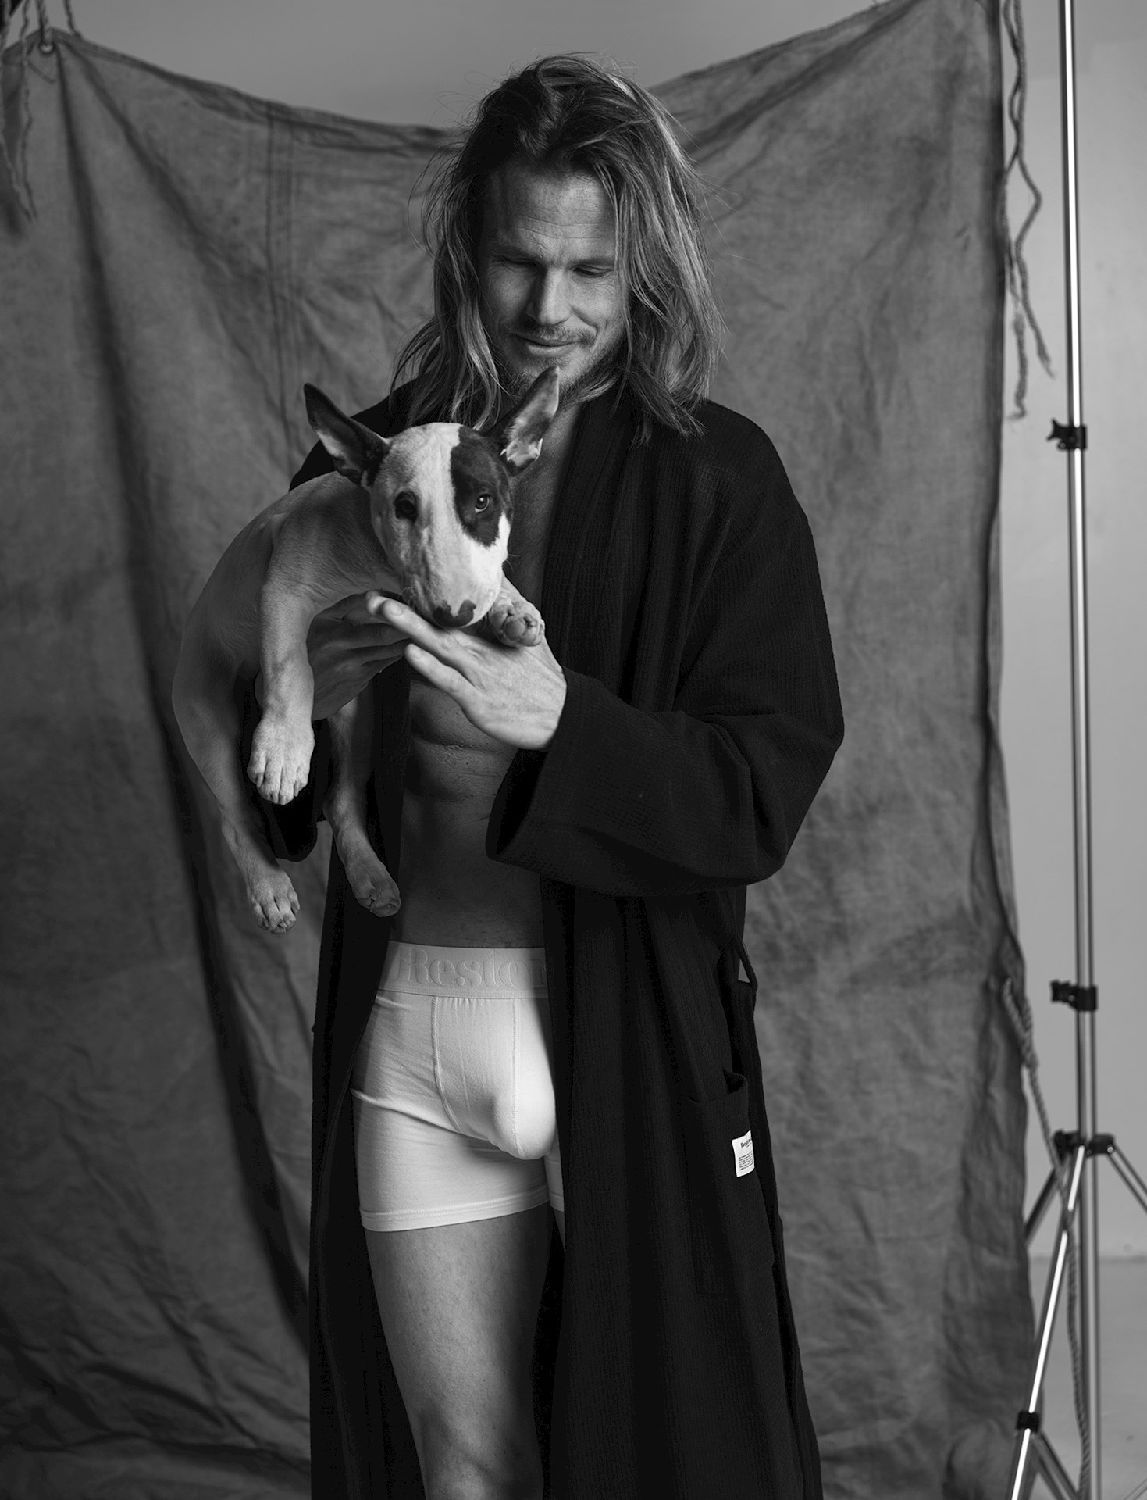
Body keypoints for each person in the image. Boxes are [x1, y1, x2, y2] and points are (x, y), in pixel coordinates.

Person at [251, 53, 844, 1500]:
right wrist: (305, 718)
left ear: (646, 265)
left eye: (590, 269)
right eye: (521, 260)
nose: (551, 309)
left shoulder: (721, 481)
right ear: (471, 247)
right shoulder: (379, 467)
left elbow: (759, 787)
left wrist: (565, 720)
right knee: (460, 1473)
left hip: (619, 1036)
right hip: (412, 1022)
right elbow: (273, 783)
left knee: (659, 1465)